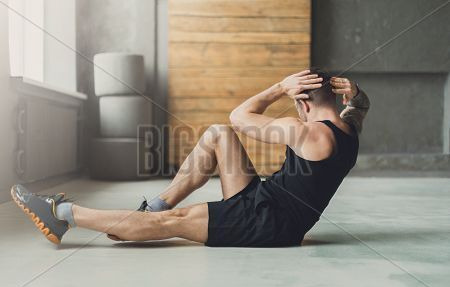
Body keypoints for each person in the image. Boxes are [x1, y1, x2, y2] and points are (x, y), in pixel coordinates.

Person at [11, 69, 370, 247]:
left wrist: (278, 88)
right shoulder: (349, 128)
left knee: (175, 222)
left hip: (268, 224)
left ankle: (62, 216)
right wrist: (356, 94)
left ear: (303, 102)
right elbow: (361, 105)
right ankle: (153, 207)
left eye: (296, 103)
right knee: (217, 135)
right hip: (266, 201)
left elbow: (240, 115)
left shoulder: (304, 131)